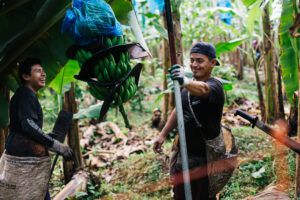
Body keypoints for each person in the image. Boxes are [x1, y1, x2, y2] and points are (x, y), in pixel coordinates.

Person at [153, 42, 224, 200]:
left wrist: (185, 81)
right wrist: (163, 134)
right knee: (180, 196)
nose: (194, 65)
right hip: (184, 155)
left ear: (212, 63)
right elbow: (178, 110)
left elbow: (203, 89)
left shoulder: (215, 86)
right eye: (191, 60)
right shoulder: (186, 89)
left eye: (199, 60)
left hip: (205, 158)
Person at [0, 58, 73, 199]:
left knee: (32, 192)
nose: (44, 74)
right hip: (25, 156)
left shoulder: (26, 95)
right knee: (34, 193)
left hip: (22, 151)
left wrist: (45, 137)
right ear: (26, 76)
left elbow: (25, 127)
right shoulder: (25, 94)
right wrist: (55, 144)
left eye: (43, 71)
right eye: (38, 71)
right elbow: (28, 125)